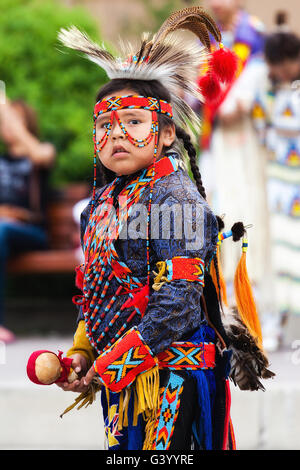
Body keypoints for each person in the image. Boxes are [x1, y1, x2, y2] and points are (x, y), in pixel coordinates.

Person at [55, 7, 274, 450]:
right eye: (104, 126)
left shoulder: (178, 200)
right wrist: (83, 352)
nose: (116, 135)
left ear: (166, 132)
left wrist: (113, 361)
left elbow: (176, 304)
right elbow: (98, 287)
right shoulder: (98, 205)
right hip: (126, 381)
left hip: (176, 378)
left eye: (133, 122)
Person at [198, 0, 271, 320]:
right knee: (213, 206)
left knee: (247, 205)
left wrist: (245, 103)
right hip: (215, 140)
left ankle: (251, 291)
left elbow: (268, 86)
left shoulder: (254, 36)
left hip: (245, 141)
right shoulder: (208, 40)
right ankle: (219, 293)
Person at [252, 26, 300, 350]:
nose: (276, 70)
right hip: (277, 181)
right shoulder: (267, 91)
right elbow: (260, 125)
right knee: (279, 254)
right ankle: (274, 324)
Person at [0, 97, 56, 343]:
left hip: (31, 232)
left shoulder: (41, 153)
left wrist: (4, 105)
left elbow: (39, 154)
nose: (8, 126)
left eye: (14, 121)